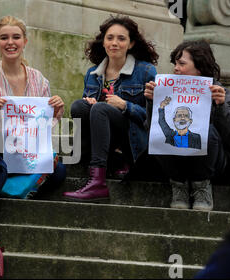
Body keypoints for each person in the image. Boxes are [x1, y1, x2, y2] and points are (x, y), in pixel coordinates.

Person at [144, 39, 230, 211]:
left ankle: (201, 186)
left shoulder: (220, 92)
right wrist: (151, 103)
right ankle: (178, 185)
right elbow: (152, 130)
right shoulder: (165, 91)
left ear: (199, 67)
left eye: (181, 63)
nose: (176, 68)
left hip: (211, 162)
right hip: (174, 160)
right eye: (175, 63)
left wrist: (220, 106)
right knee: (163, 134)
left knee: (204, 130)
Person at [63, 16, 158, 202]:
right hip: (104, 137)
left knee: (100, 110)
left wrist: (125, 105)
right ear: (104, 41)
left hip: (132, 140)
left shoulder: (146, 71)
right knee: (79, 106)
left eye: (121, 39)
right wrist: (89, 101)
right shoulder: (92, 74)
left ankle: (98, 180)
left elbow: (153, 118)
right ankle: (103, 161)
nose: (114, 43)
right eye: (110, 38)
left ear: (131, 44)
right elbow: (88, 109)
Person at [0, 15, 66, 196]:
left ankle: (9, 188)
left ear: (25, 41)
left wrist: (56, 111)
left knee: (59, 172)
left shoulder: (39, 80)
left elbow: (44, 128)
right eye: (4, 38)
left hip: (29, 151)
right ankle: (17, 186)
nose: (10, 42)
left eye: (16, 37)